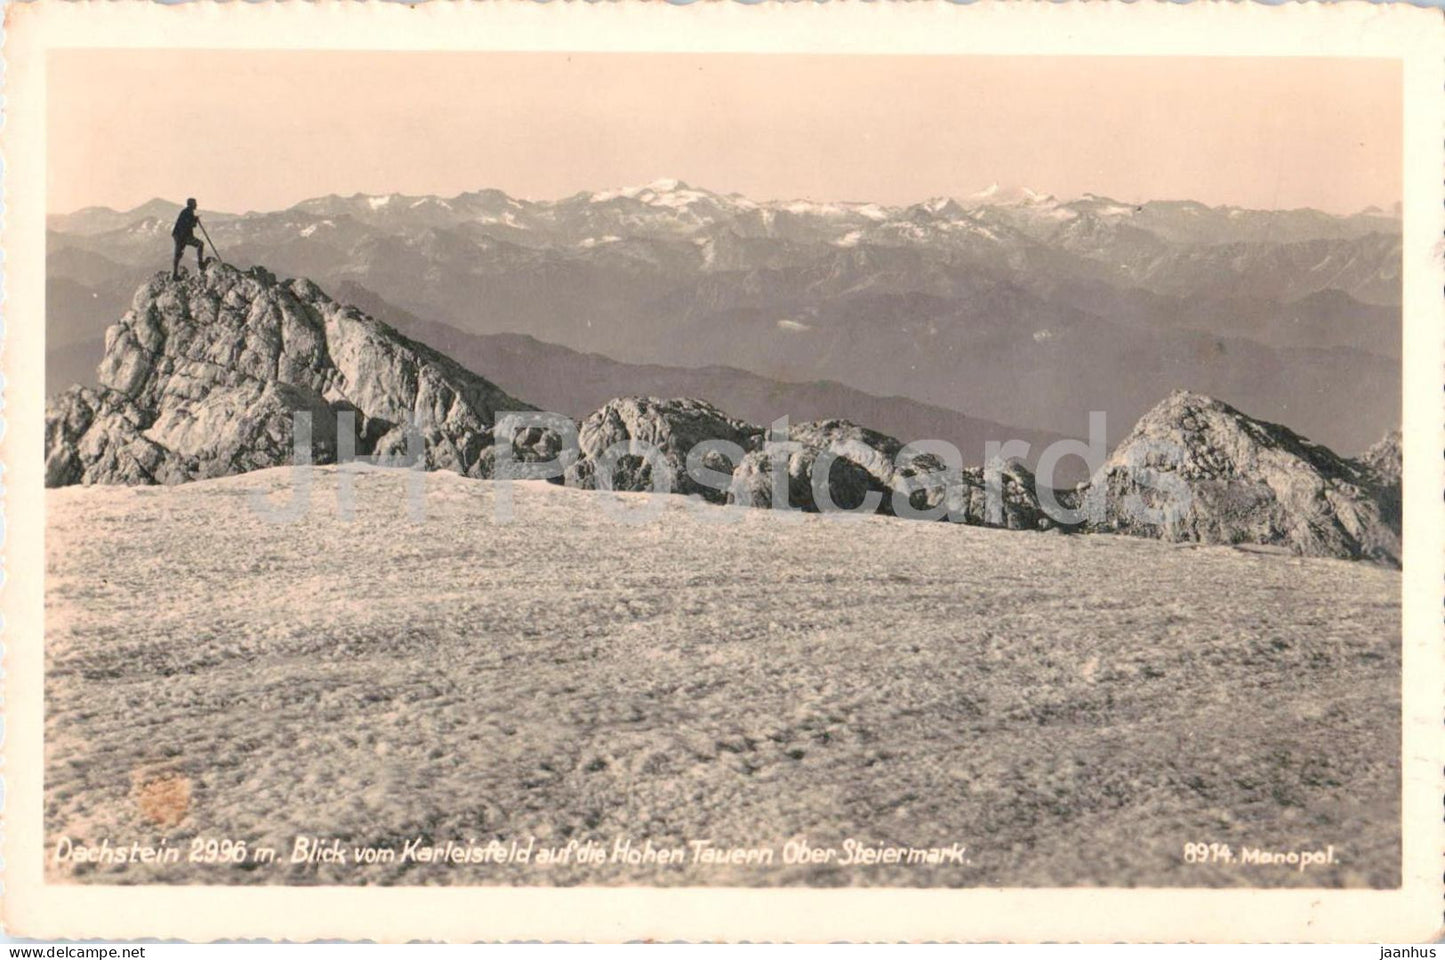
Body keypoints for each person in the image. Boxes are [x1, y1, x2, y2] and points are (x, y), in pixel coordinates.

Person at [171, 198, 207, 280]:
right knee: (200, 244)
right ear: (191, 204)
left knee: (178, 255)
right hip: (183, 236)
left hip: (179, 235)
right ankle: (200, 264)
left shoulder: (186, 211)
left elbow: (188, 222)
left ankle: (175, 274)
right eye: (195, 204)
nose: (196, 205)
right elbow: (190, 224)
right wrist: (195, 220)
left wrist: (194, 219)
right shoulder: (188, 212)